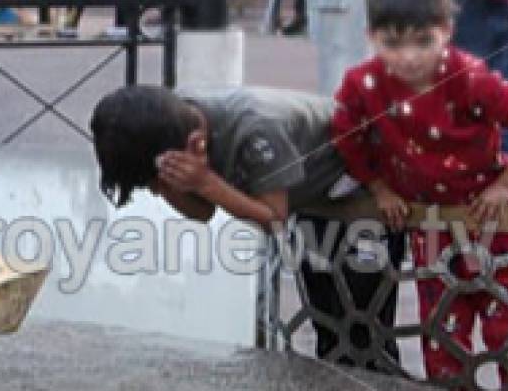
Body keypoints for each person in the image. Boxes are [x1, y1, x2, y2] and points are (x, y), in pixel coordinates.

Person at [330, 0, 508, 391]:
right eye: (393, 44)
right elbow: (346, 137)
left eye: (422, 42)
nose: (408, 57)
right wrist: (380, 188)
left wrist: (505, 185)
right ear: (372, 37)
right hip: (432, 220)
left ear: (446, 32)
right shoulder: (363, 86)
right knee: (442, 325)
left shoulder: (468, 78)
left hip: (493, 217)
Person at [91, 84, 406, 369]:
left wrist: (206, 182)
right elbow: (203, 212)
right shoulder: (177, 124)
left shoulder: (257, 130)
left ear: (195, 143)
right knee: (331, 331)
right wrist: (177, 185)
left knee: (364, 335)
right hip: (315, 202)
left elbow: (274, 220)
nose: (158, 190)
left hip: (367, 190)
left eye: (156, 183)